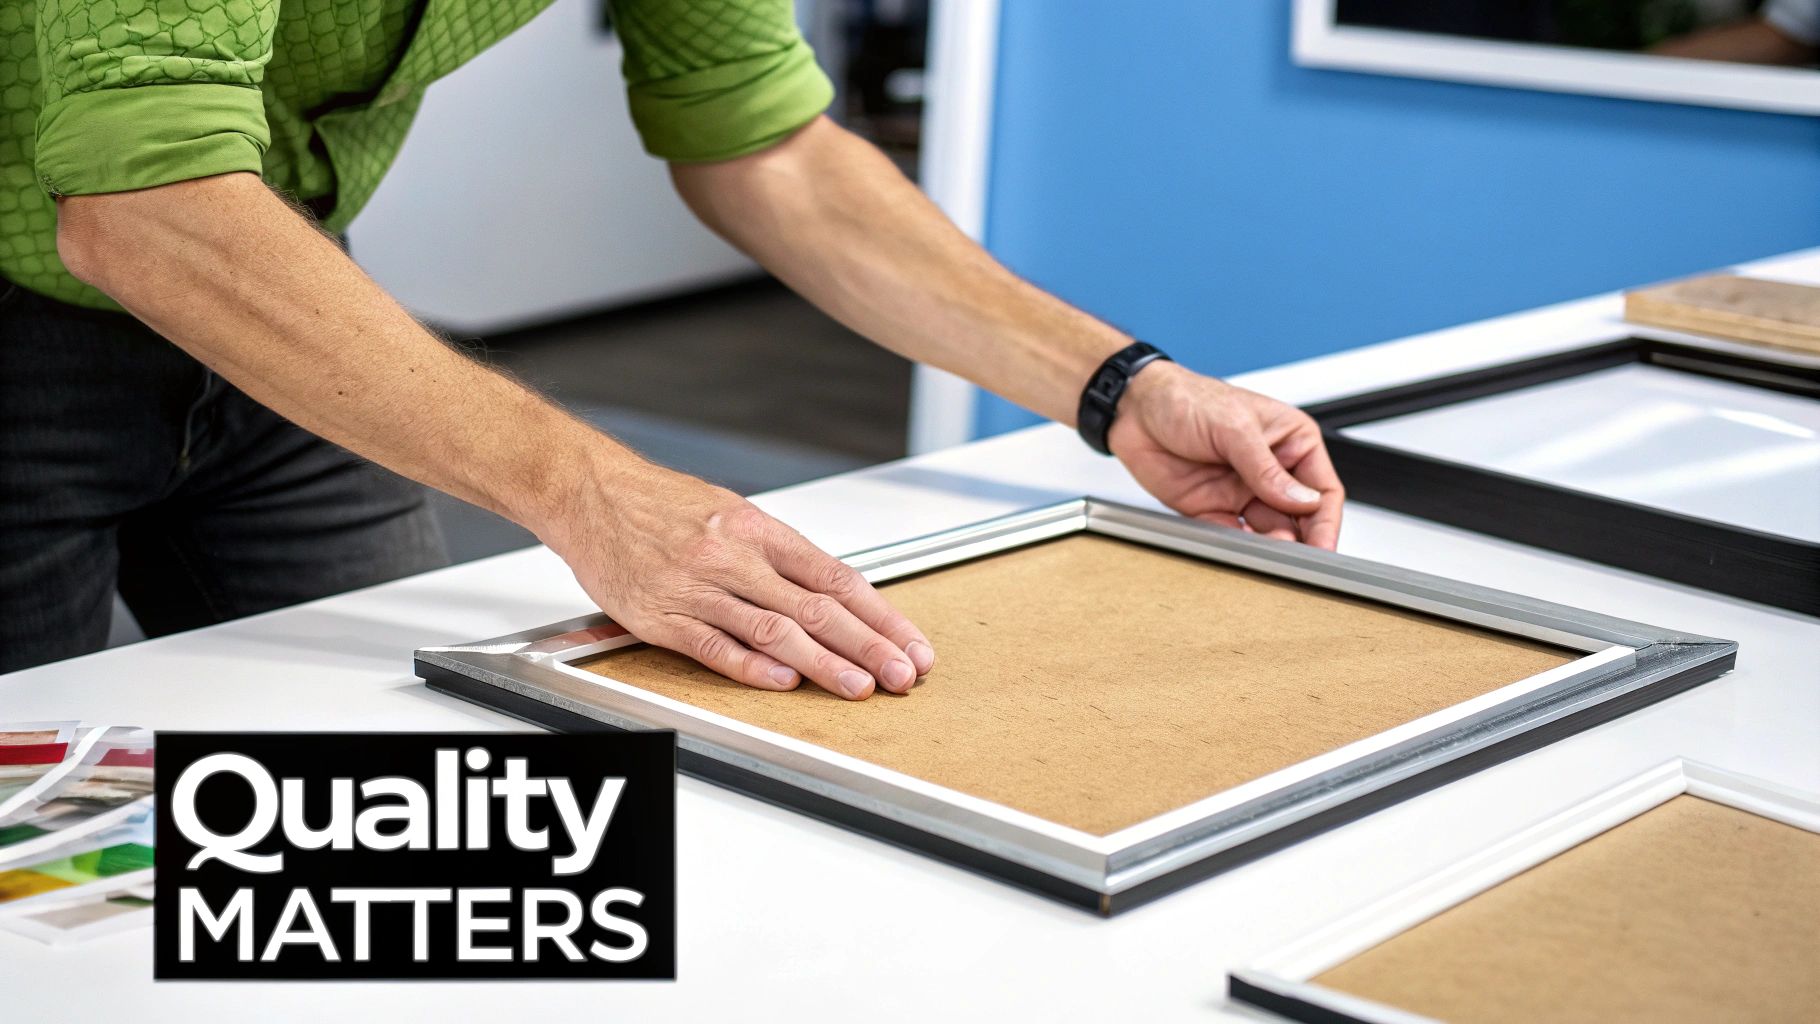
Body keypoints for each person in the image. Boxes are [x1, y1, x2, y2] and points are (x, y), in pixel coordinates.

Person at [0, 0, 1345, 691]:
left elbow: (762, 143)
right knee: (28, 872)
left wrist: (1121, 388)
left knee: (418, 806)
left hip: (279, 296)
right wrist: (590, 493)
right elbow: (146, 205)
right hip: (69, 291)